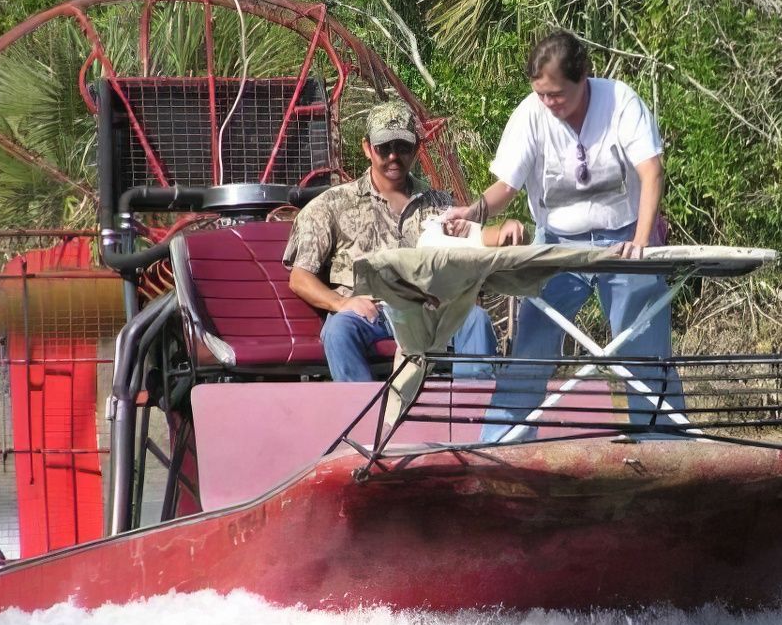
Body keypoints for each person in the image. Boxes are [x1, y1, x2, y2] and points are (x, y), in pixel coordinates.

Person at [440, 31, 681, 441]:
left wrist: (641, 242)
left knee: (644, 348)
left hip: (624, 239)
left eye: (558, 95)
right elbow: (506, 187)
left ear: (583, 76)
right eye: (541, 94)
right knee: (531, 347)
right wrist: (472, 211)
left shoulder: (621, 101)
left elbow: (651, 171)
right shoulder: (531, 114)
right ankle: (501, 444)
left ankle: (668, 446)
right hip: (556, 244)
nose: (550, 103)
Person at [284, 99, 523, 381]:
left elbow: (474, 237)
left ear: (416, 149)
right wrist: (340, 303)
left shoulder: (436, 202)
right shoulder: (331, 205)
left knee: (475, 320)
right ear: (367, 148)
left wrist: (507, 228)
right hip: (365, 312)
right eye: (384, 147)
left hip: (428, 309)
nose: (393, 156)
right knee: (339, 331)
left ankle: (472, 414)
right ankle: (364, 415)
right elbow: (300, 278)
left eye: (402, 147)